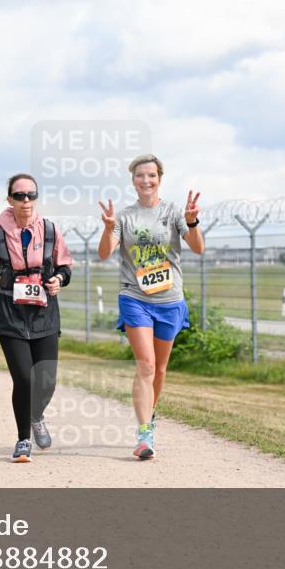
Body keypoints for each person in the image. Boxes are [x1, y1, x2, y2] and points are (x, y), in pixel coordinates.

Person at [97, 154, 204, 460]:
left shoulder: (173, 212)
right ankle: (144, 433)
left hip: (169, 299)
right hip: (135, 297)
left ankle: (150, 414)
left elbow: (198, 247)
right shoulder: (124, 217)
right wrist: (108, 228)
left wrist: (192, 221)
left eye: (151, 175)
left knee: (159, 368)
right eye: (140, 175)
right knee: (145, 364)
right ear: (133, 181)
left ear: (160, 179)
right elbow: (105, 253)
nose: (146, 180)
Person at [0, 173, 73, 463]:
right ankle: (23, 440)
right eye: (19, 195)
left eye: (31, 194)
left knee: (46, 381)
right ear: (10, 199)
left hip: (44, 313)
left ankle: (36, 416)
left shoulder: (50, 230)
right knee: (23, 378)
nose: (26, 200)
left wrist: (58, 279)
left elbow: (65, 267)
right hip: (10, 314)